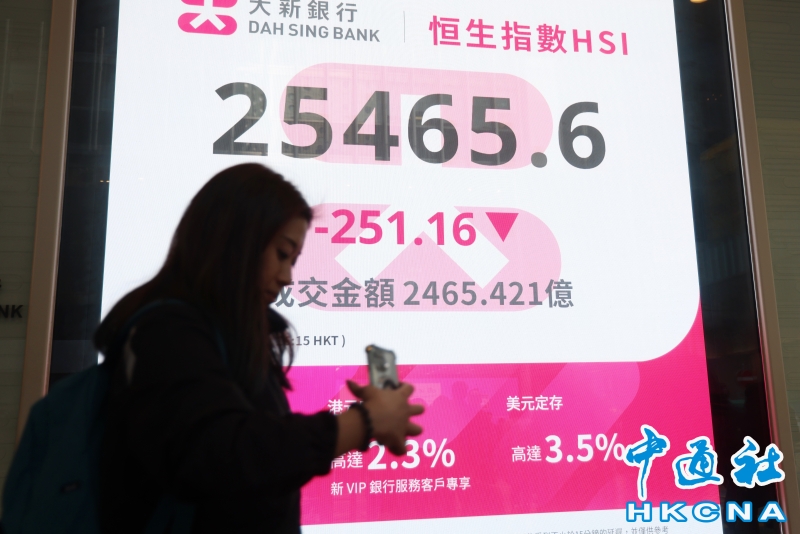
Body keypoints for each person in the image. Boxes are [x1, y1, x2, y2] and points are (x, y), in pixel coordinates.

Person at [94, 163, 424, 533]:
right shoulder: (167, 333)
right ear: (235, 242)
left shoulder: (227, 334)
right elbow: (225, 454)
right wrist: (363, 423)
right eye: (282, 254)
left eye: (293, 260)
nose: (287, 278)